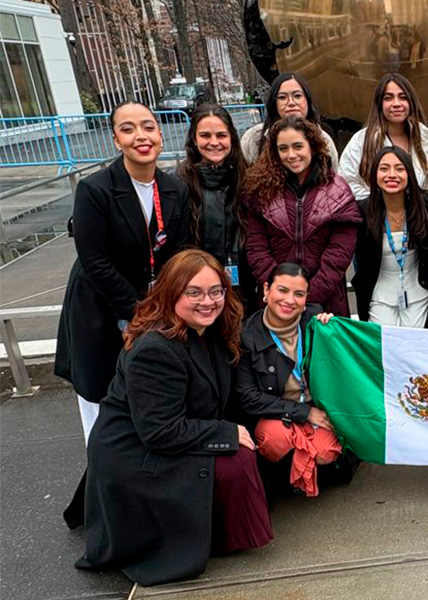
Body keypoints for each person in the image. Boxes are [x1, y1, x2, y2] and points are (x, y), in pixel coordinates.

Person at [73, 250, 277, 585]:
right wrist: (225, 433)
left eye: (216, 291)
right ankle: (209, 537)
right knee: (235, 458)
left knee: (255, 449)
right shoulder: (154, 348)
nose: (207, 301)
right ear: (172, 293)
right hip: (135, 454)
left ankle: (214, 526)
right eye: (193, 292)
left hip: (163, 434)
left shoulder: (212, 331)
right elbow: (159, 431)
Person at [55, 100, 190, 442]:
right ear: (116, 139)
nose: (140, 137)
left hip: (150, 307)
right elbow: (95, 261)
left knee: (147, 392)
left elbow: (178, 253)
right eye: (127, 129)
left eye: (147, 127)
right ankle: (103, 477)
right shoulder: (95, 190)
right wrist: (140, 310)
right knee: (100, 398)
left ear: (160, 134)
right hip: (100, 308)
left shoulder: (174, 189)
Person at [233, 263, 351, 498]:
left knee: (326, 450)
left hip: (317, 407)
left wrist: (333, 331)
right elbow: (249, 398)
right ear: (266, 290)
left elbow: (344, 368)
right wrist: (304, 414)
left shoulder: (316, 322)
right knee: (275, 439)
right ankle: (297, 476)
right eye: (282, 290)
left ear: (306, 298)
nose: (289, 300)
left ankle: (301, 471)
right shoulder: (246, 337)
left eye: (299, 294)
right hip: (277, 413)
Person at [243, 115, 361, 316]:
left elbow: (339, 255)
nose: (291, 155)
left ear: (312, 147)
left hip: (327, 302)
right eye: (283, 148)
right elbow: (256, 247)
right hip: (276, 301)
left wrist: (307, 295)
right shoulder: (260, 190)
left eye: (298, 146)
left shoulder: (338, 190)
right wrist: (279, 291)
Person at [352, 147, 428, 327]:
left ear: (409, 174)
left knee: (416, 348)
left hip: (419, 291)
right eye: (384, 169)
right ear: (374, 175)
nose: (392, 175)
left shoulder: (426, 205)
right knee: (384, 348)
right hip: (379, 295)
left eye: (399, 168)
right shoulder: (362, 211)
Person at [176, 104, 255, 310]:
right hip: (196, 292)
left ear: (232, 138)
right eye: (205, 135)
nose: (214, 142)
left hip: (244, 289)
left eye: (221, 135)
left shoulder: (249, 181)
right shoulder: (178, 185)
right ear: (194, 139)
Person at [338, 73, 428, 201]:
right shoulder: (362, 141)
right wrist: (382, 203)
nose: (396, 103)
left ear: (411, 102)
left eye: (403, 97)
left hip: (420, 218)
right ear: (380, 103)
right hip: (375, 217)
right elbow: (345, 184)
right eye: (388, 98)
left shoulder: (425, 140)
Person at [240, 72, 339, 165]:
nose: (291, 102)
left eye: (297, 96)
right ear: (274, 103)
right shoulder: (253, 139)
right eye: (282, 97)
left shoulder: (324, 141)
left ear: (307, 100)